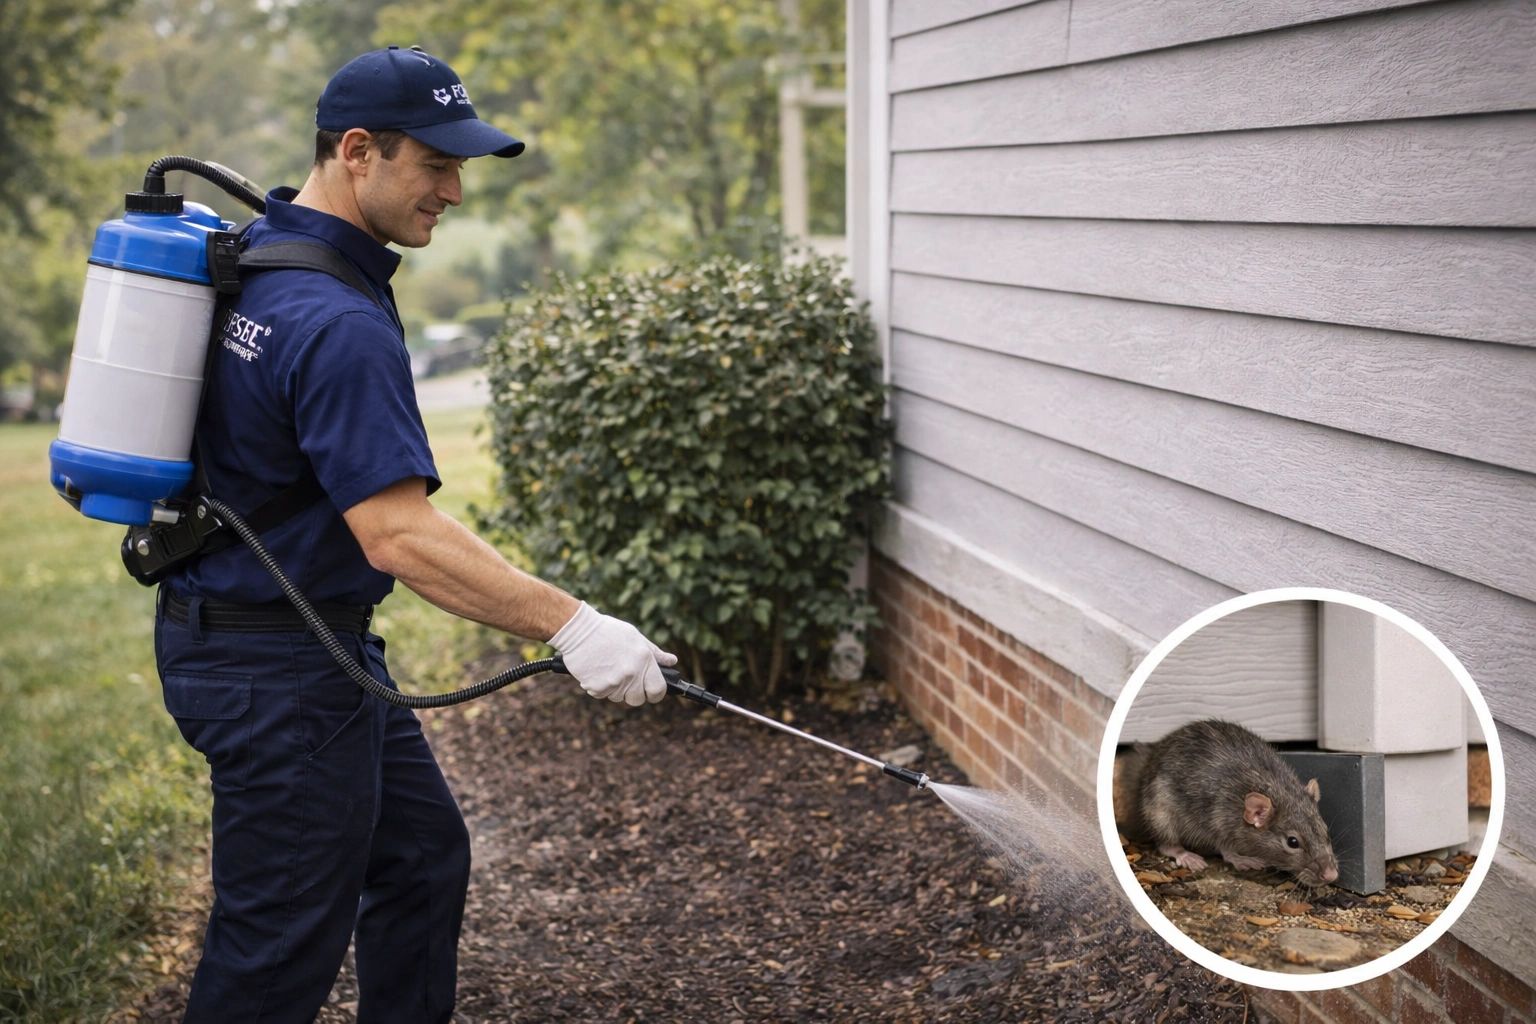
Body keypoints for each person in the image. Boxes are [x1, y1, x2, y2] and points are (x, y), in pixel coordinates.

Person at [153, 46, 674, 1023]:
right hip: (283, 681)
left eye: (461, 166)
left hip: (274, 647)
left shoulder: (263, 257)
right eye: (436, 164)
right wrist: (574, 626)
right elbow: (398, 534)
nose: (455, 191)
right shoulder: (332, 317)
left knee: (422, 858)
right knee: (270, 963)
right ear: (358, 151)